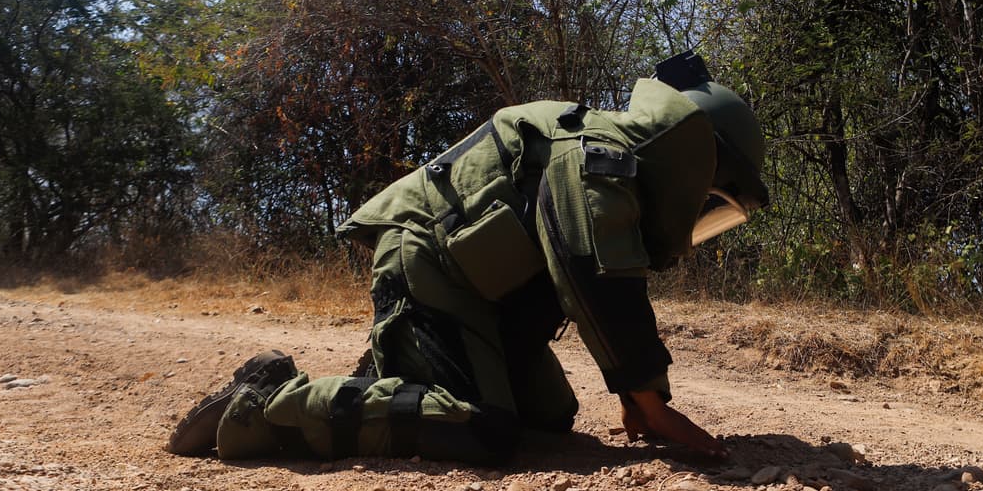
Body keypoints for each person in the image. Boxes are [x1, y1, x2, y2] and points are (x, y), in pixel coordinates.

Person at [166, 53, 768, 465]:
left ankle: (381, 385)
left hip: (477, 294)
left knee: (549, 419)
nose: (700, 221)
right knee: (484, 430)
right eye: (710, 203)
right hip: (427, 266)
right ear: (693, 161)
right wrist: (651, 403)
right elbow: (596, 276)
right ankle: (267, 407)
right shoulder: (596, 158)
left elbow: (588, 278)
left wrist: (636, 395)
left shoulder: (609, 164)